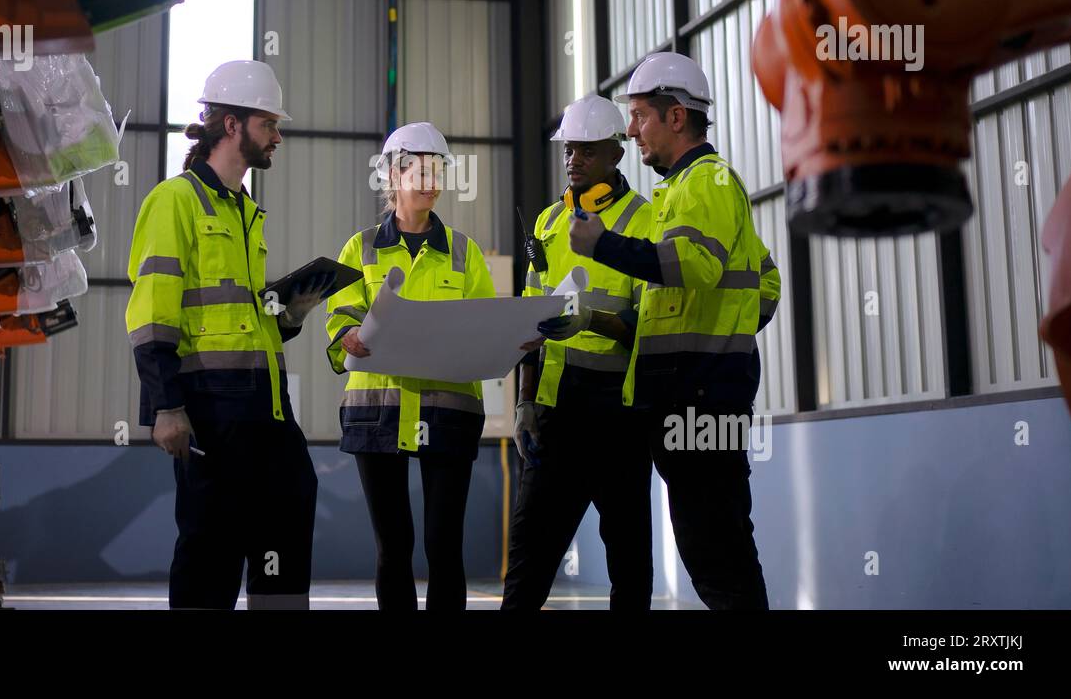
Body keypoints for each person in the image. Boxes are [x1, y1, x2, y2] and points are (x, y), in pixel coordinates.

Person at [569, 52, 778, 610]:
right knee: (718, 546)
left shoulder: (704, 184)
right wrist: (729, 328)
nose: (632, 130)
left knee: (716, 551)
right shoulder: (685, 192)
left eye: (639, 116)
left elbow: (693, 266)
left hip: (701, 396)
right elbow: (766, 285)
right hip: (696, 391)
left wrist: (603, 246)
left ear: (676, 117)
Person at [125, 59, 334, 609]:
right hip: (209, 411)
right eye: (270, 124)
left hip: (266, 408)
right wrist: (166, 407)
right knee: (211, 547)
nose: (278, 136)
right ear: (233, 125)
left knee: (290, 515)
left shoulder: (246, 212)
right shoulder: (175, 201)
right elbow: (152, 313)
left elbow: (239, 319)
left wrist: (290, 317)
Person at [323, 122, 496, 610]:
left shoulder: (465, 253)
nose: (430, 180)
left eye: (438, 170)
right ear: (391, 175)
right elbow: (340, 316)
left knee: (444, 549)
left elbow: (484, 323)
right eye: (419, 170)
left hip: (448, 413)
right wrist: (347, 338)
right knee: (393, 547)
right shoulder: (359, 250)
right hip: (377, 412)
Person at [500, 95, 654, 610]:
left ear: (616, 153)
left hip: (621, 415)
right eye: (569, 150)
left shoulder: (645, 222)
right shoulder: (546, 225)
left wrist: (594, 319)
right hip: (554, 415)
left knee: (629, 566)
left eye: (586, 151)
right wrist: (523, 403)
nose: (573, 161)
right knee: (527, 565)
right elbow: (527, 323)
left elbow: (648, 329)